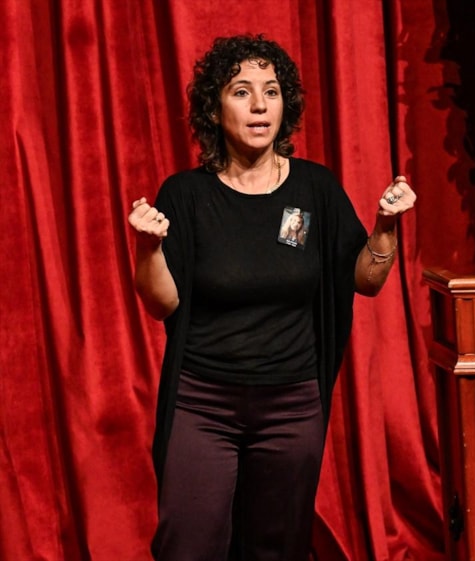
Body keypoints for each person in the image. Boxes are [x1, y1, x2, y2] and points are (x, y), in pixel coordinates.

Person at [126, 34, 415, 561]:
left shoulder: (315, 189)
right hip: (202, 404)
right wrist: (149, 248)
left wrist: (386, 227)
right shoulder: (186, 194)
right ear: (215, 109)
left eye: (272, 91)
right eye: (241, 91)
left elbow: (367, 281)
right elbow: (162, 303)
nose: (260, 105)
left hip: (292, 406)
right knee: (188, 545)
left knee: (276, 549)